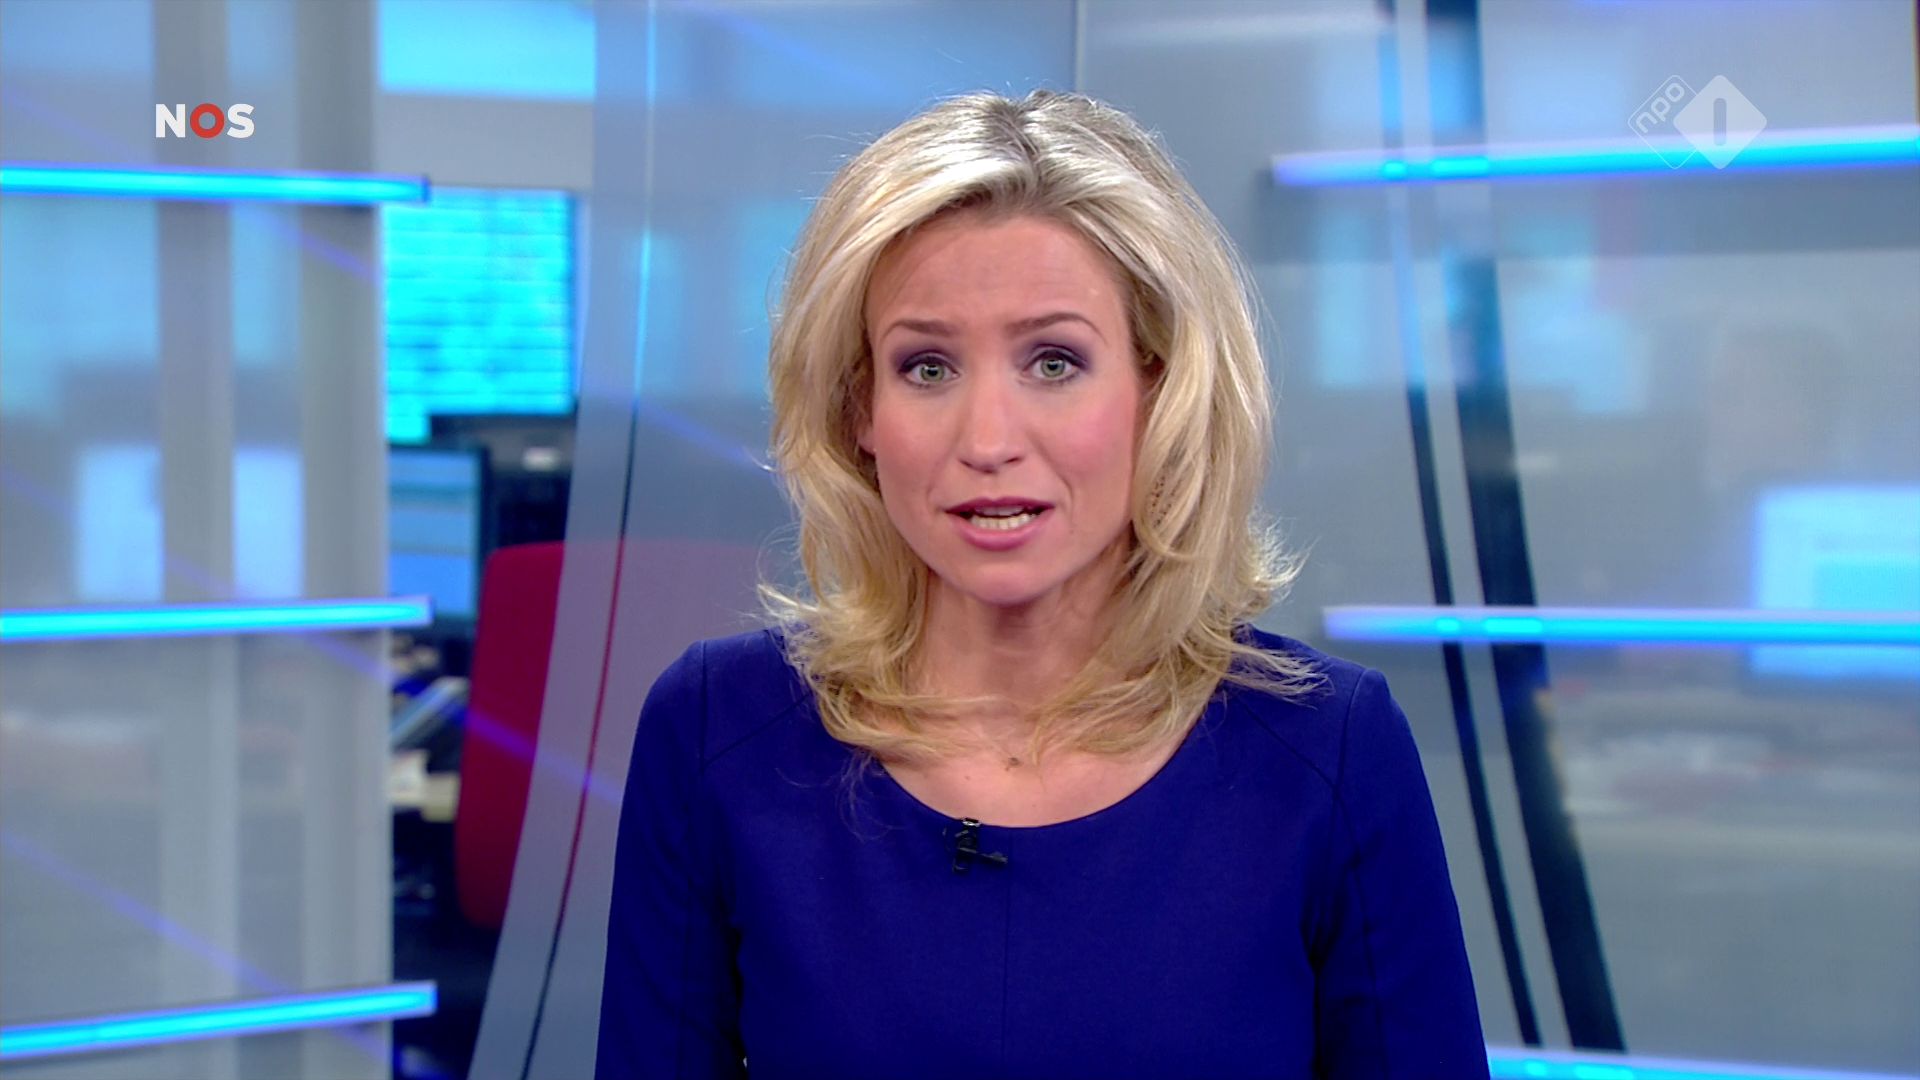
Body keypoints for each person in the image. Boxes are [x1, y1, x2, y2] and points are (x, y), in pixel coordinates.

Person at [596, 89, 1487, 1079]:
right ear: (859, 410)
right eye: (926, 368)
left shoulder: (1329, 752)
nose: (988, 440)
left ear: (1160, 390)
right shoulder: (717, 733)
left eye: (1054, 362)